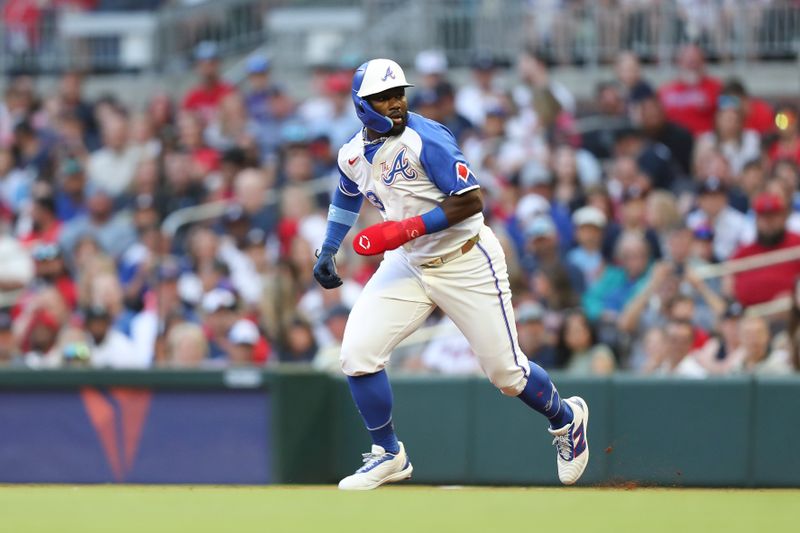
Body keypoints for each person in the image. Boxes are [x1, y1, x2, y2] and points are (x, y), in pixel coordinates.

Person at [312, 59, 589, 490]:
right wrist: (329, 246)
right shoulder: (351, 151)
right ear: (362, 105)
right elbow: (347, 193)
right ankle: (388, 453)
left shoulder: (426, 138)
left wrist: (405, 228)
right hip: (408, 263)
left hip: (465, 257)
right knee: (356, 354)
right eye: (384, 97)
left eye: (399, 92)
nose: (396, 102)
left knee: (507, 375)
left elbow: (470, 200)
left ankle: (567, 420)